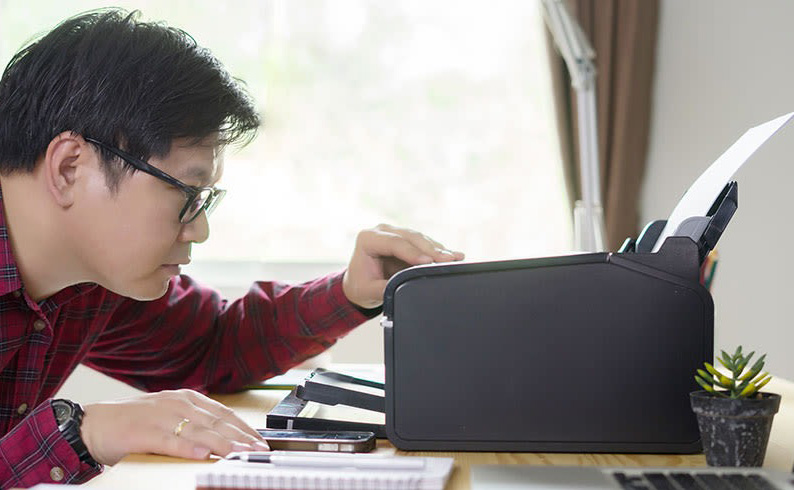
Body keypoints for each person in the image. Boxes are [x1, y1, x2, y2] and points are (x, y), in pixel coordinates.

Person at [0, 9, 463, 487]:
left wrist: (348, 293)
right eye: (186, 193)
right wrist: (82, 431)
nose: (199, 229)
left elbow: (211, 347)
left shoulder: (89, 283)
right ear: (70, 168)